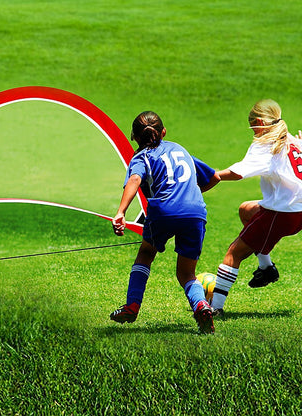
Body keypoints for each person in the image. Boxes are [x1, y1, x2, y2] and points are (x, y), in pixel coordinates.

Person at [109, 111, 219, 334]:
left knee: (146, 254)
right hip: (196, 211)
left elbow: (135, 179)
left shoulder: (141, 157)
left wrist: (121, 211)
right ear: (164, 132)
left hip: (163, 210)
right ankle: (201, 305)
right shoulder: (179, 149)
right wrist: (189, 195)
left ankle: (132, 305)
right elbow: (213, 177)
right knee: (186, 273)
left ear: (134, 137)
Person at [211, 99, 302, 316]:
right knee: (247, 209)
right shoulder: (293, 141)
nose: (253, 131)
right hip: (296, 211)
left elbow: (239, 172)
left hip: (283, 214)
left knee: (233, 254)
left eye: (252, 126)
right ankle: (266, 268)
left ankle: (214, 309)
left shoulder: (266, 144)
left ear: (260, 122)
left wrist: (215, 176)